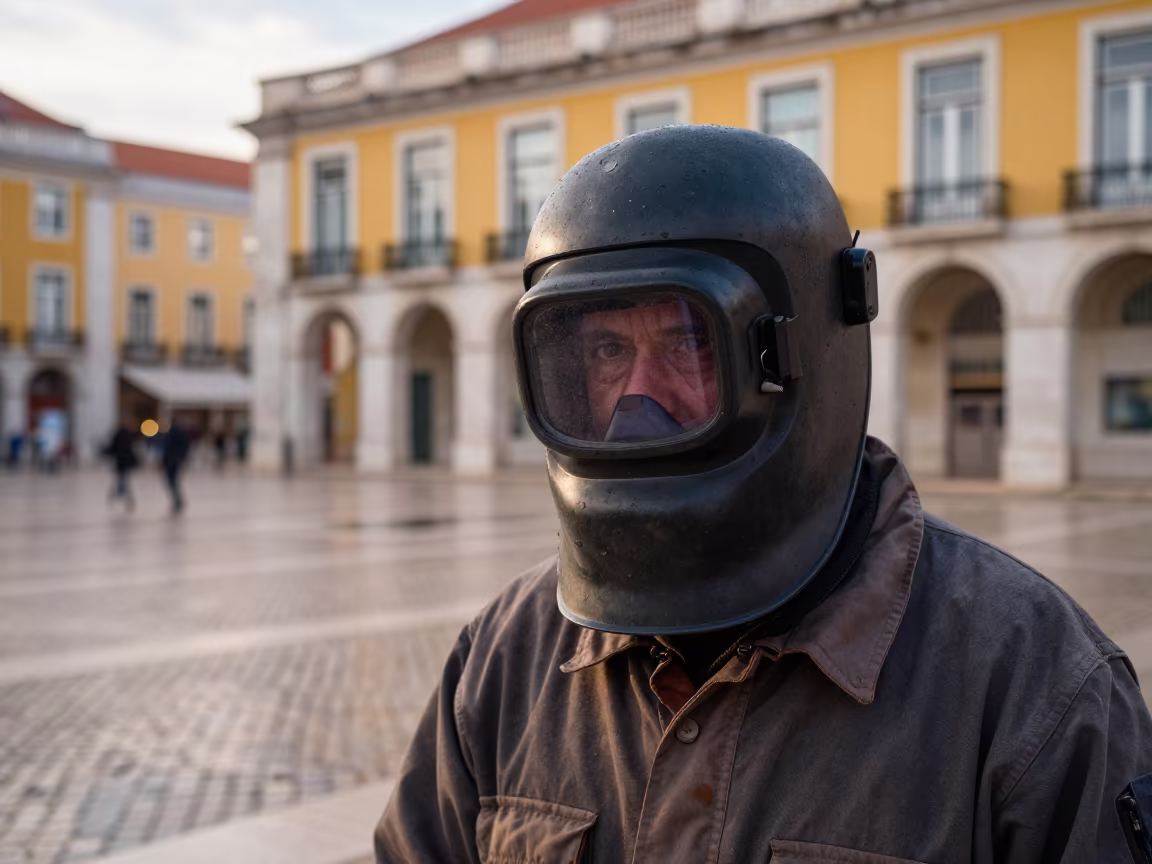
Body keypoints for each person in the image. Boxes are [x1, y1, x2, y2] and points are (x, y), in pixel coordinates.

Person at [374, 127, 1152, 863]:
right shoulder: (504, 659)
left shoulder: (1033, 682)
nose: (637, 400)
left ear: (802, 350)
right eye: (607, 349)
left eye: (688, 342)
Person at [103, 425, 139, 511]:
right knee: (123, 481)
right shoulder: (128, 437)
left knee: (122, 482)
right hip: (125, 464)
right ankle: (123, 498)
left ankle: (118, 496)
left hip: (121, 464)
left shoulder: (119, 437)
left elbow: (112, 449)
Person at [161, 420, 191, 514]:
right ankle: (178, 500)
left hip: (171, 462)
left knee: (172, 482)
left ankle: (177, 501)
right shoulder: (180, 434)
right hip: (174, 461)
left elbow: (168, 449)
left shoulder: (172, 435)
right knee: (173, 482)